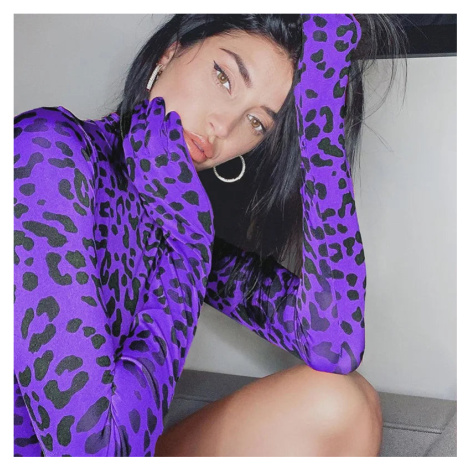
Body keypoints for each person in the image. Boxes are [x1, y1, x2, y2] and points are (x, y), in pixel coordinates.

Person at [14, 14, 407, 457]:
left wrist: (321, 130)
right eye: (223, 77)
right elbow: (95, 454)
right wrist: (186, 249)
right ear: (170, 52)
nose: (224, 126)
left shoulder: (178, 213)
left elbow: (334, 343)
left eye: (257, 123)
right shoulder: (45, 152)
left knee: (344, 403)